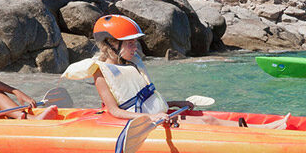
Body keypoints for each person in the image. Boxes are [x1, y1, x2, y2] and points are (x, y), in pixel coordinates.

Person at [61, 14, 289, 129]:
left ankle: (258, 128)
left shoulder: (131, 65)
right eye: (129, 43)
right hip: (139, 125)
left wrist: (175, 103)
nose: (135, 47)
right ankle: (263, 130)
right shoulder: (100, 72)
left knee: (202, 116)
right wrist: (150, 117)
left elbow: (143, 100)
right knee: (208, 120)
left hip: (159, 117)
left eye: (134, 43)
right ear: (111, 44)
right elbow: (116, 111)